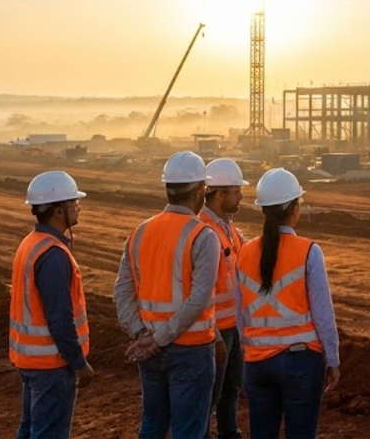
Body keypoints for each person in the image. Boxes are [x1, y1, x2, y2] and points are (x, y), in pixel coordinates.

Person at [114, 150, 220, 439]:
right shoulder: (203, 235)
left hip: (150, 348)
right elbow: (198, 300)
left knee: (152, 426)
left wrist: (142, 336)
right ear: (199, 190)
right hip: (191, 351)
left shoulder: (140, 232)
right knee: (189, 431)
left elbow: (121, 293)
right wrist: (158, 340)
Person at [235, 168, 340, 439]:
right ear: (294, 209)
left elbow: (240, 314)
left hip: (257, 364)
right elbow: (323, 313)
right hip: (300, 362)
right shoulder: (308, 251)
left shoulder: (245, 252)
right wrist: (332, 358)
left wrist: (250, 352)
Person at [11, 170, 95, 439]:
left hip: (31, 361)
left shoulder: (30, 244)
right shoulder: (54, 256)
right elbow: (60, 318)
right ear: (59, 211)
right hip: (52, 366)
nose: (78, 207)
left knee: (30, 429)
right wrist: (78, 363)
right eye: (73, 203)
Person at [199, 159, 248, 439]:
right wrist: (215, 331)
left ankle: (229, 432)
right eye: (236, 191)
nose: (241, 195)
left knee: (232, 387)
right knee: (212, 391)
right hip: (216, 328)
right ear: (219, 194)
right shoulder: (205, 230)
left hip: (235, 324)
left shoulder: (228, 227)